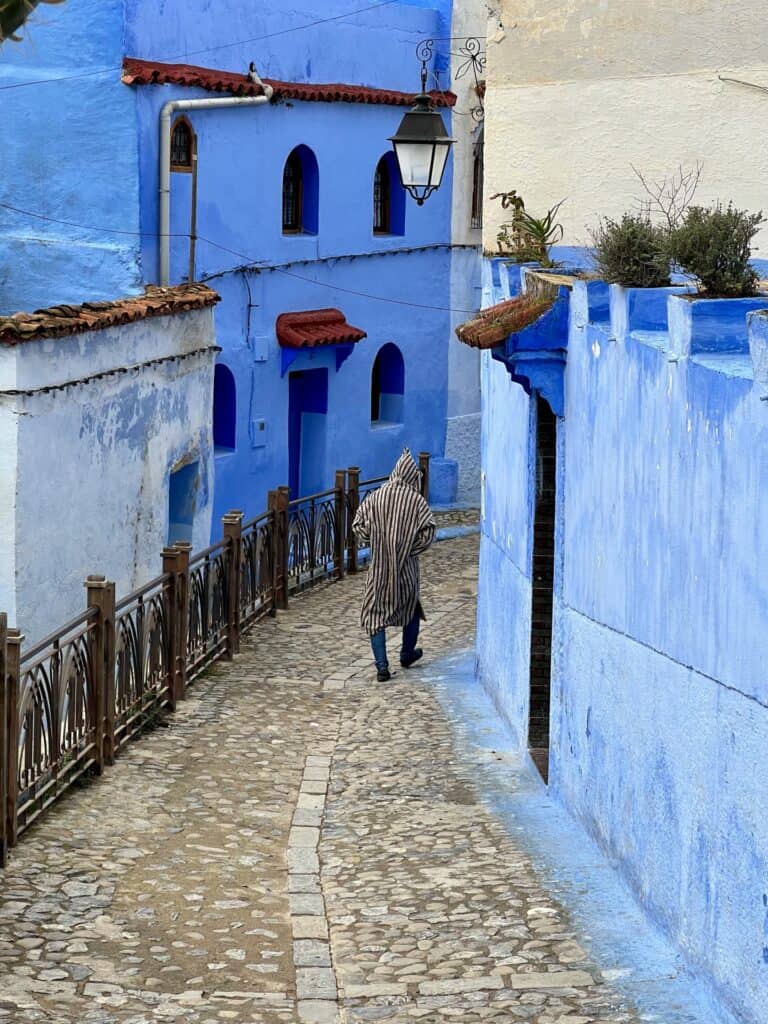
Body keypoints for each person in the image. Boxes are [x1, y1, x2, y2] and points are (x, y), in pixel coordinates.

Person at [352, 449, 435, 681]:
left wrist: (374, 541)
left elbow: (358, 525)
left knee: (374, 614)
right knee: (411, 609)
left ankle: (382, 667)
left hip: (379, 570)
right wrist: (410, 549)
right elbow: (429, 532)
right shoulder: (417, 502)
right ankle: (407, 653)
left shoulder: (375, 497)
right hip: (406, 570)